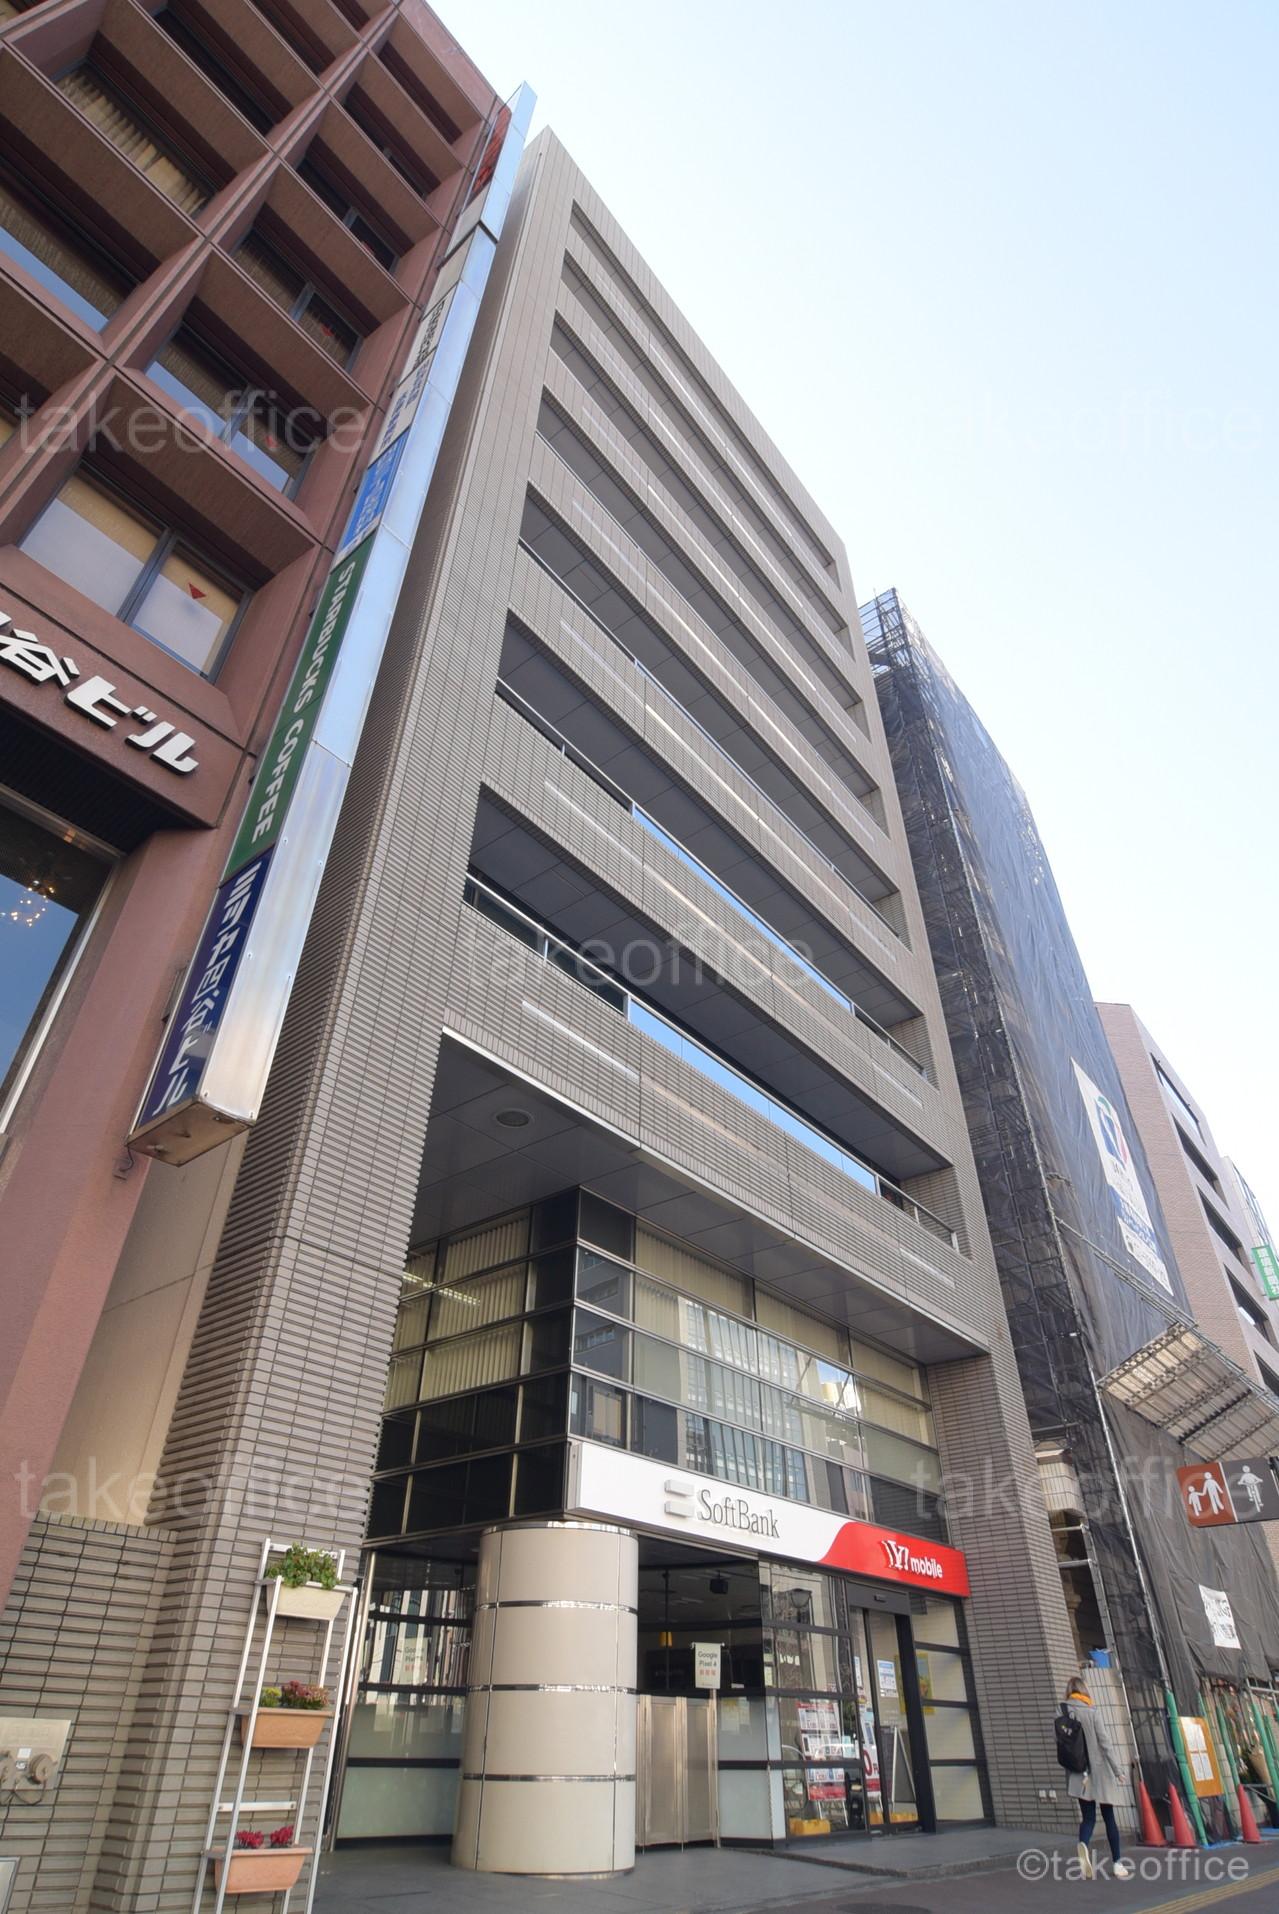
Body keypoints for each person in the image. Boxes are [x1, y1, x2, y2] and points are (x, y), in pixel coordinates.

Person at [1062, 1678, 1134, 1880]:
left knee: (1088, 1818)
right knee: (1109, 1817)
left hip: (1078, 1772)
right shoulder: (1092, 1711)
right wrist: (1118, 1770)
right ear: (1084, 1690)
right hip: (1100, 1772)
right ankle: (1117, 1863)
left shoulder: (1062, 1711)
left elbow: (1061, 1743)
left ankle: (1083, 1845)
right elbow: (1105, 1743)